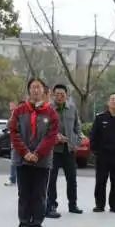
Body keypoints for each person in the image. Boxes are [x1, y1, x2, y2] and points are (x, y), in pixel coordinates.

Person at [10, 78, 60, 227]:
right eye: (33, 87)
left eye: (38, 87)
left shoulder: (51, 113)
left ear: (44, 91)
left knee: (39, 193)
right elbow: (14, 133)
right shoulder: (19, 111)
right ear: (29, 90)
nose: (35, 90)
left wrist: (37, 154)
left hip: (42, 161)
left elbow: (51, 136)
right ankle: (24, 222)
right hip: (22, 159)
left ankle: (37, 223)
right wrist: (25, 153)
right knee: (24, 192)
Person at [46, 84, 82, 218]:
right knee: (52, 179)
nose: (60, 96)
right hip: (53, 150)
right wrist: (54, 137)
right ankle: (51, 205)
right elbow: (44, 127)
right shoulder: (48, 108)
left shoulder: (72, 108)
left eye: (62, 94)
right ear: (53, 95)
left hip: (69, 150)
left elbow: (77, 126)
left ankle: (73, 205)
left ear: (66, 95)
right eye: (57, 94)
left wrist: (76, 142)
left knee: (72, 179)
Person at [4, 100, 18, 187]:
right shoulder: (12, 115)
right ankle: (13, 180)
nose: (10, 107)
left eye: (12, 105)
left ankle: (15, 179)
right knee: (13, 162)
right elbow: (8, 125)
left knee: (16, 163)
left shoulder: (19, 115)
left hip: (21, 143)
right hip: (14, 143)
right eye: (10, 105)